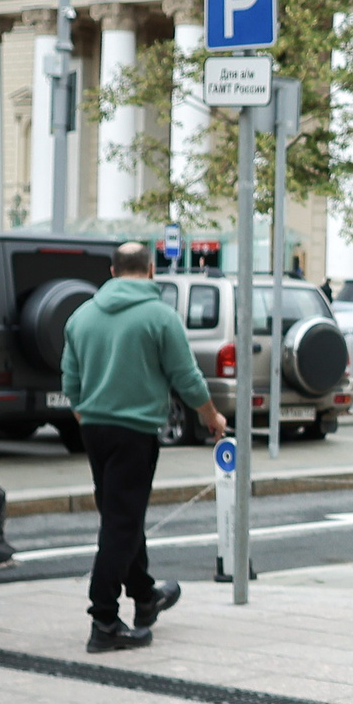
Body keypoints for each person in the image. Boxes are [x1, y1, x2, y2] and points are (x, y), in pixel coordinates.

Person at [57, 242, 225, 652]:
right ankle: (104, 620)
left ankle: (146, 596)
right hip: (135, 431)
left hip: (94, 430)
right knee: (121, 522)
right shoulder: (160, 317)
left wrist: (88, 416)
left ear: (113, 271)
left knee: (121, 514)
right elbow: (186, 377)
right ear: (151, 270)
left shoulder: (81, 316)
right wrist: (211, 416)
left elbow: (69, 383)